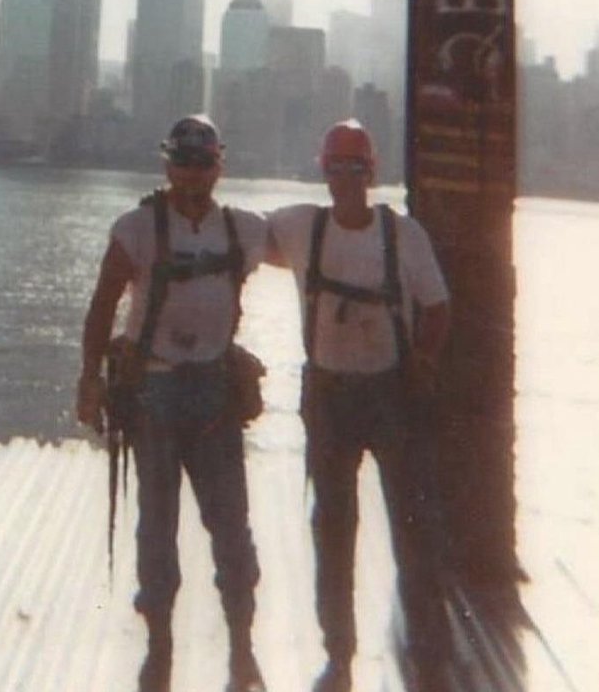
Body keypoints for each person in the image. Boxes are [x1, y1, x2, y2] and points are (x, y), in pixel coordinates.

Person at [76, 115, 269, 692]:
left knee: (231, 526)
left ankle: (241, 649)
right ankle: (159, 648)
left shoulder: (244, 231)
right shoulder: (136, 228)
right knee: (156, 527)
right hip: (154, 392)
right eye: (182, 163)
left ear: (218, 167)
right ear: (167, 165)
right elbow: (103, 302)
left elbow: (319, 249)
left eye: (202, 163)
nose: (192, 175)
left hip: (214, 393)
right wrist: (88, 377)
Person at [266, 119, 453, 692]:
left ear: (371, 174)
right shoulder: (299, 227)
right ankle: (339, 653)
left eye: (356, 168)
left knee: (412, 523)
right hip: (328, 397)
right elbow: (232, 240)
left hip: (390, 393)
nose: (345, 178)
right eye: (336, 168)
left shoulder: (404, 236)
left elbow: (438, 307)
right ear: (323, 172)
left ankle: (428, 648)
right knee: (333, 526)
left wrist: (422, 363)